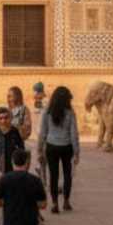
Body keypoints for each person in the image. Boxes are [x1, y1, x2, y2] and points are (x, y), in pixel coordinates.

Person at [38, 85, 80, 213]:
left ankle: (55, 204)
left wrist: (40, 149)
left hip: (51, 146)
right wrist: (77, 152)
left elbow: (42, 132)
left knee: (53, 175)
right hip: (67, 147)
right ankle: (66, 201)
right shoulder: (70, 112)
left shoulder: (47, 111)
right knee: (67, 175)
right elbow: (74, 133)